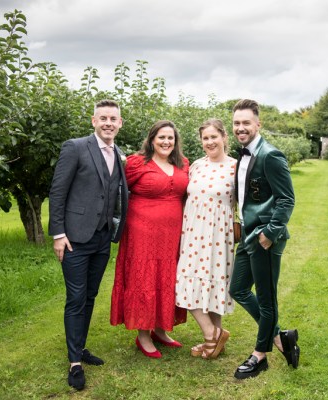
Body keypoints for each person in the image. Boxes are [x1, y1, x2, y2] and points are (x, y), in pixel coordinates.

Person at [48, 99, 128, 390]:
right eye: (103, 118)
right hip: (74, 238)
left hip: (102, 238)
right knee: (76, 297)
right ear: (94, 121)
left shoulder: (119, 154)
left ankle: (80, 348)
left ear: (120, 123)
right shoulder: (76, 147)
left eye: (113, 119)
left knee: (91, 295)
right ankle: (74, 363)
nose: (108, 123)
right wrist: (58, 233)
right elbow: (58, 192)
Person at [228, 99, 299, 379]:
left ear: (258, 124)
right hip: (248, 234)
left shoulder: (270, 155)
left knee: (267, 301)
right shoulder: (243, 155)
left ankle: (260, 356)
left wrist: (269, 234)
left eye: (246, 123)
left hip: (264, 237)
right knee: (239, 289)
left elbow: (287, 200)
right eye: (236, 123)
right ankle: (281, 337)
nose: (241, 128)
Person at [110, 120, 189, 358]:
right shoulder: (136, 163)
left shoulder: (183, 163)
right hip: (141, 232)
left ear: (175, 142)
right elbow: (116, 190)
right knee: (144, 278)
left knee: (166, 278)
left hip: (172, 234)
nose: (166, 142)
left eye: (170, 138)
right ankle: (143, 335)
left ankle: (160, 330)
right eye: (161, 137)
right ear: (152, 139)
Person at [175, 118, 237, 359]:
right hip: (192, 232)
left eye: (214, 136)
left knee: (214, 284)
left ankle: (213, 339)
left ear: (223, 137)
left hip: (219, 234)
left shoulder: (235, 167)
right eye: (205, 138)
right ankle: (213, 334)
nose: (210, 142)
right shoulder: (197, 166)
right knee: (185, 282)